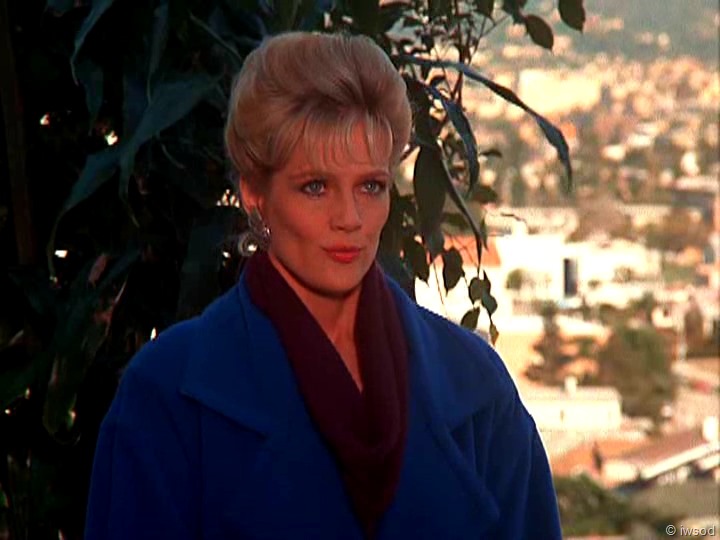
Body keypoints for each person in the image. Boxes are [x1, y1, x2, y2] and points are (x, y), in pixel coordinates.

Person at [84, 32, 562, 539]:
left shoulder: (476, 387)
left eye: (370, 186)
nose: (349, 218)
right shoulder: (166, 397)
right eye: (315, 187)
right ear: (254, 193)